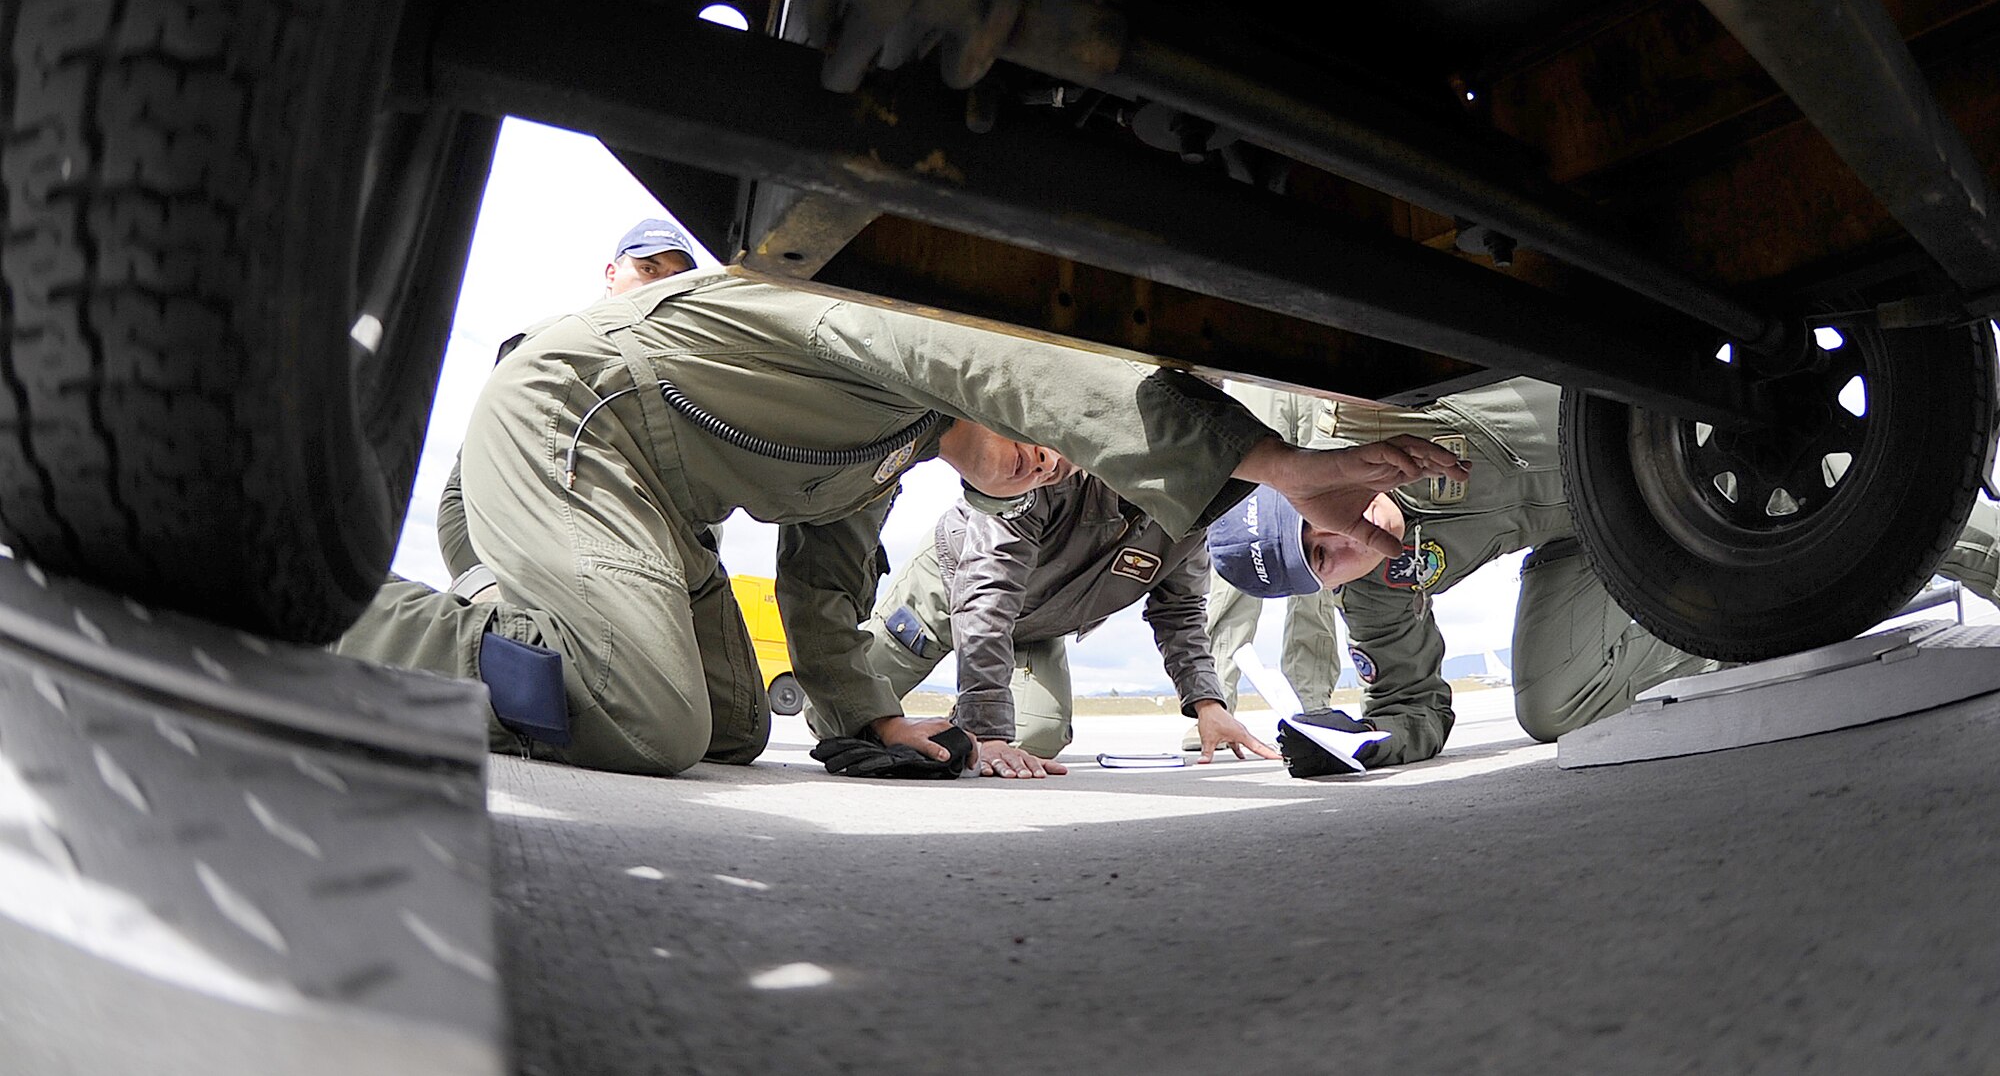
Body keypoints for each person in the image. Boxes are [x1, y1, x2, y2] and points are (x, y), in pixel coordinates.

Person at [335, 267, 1467, 778]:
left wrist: (872, 722)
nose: (1041, 459)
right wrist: (1272, 463)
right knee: (650, 720)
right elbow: (1022, 367)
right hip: (570, 423)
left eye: (1054, 465)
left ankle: (528, 621)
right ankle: (345, 604)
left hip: (657, 515)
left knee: (728, 728)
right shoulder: (893, 325)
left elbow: (822, 599)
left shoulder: (889, 459)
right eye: (1041, 433)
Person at [1207, 375, 2000, 768]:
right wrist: (1368, 744)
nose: (1339, 547)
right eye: (1319, 569)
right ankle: (1755, 625)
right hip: (1591, 538)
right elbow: (1410, 701)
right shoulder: (1375, 582)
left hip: (1663, 438)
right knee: (1551, 704)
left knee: (1838, 490)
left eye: (1313, 528)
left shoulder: (1366, 404)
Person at [818, 468, 1280, 778]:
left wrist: (1208, 705)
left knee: (1037, 738)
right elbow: (986, 595)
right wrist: (989, 732)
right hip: (952, 584)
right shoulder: (1052, 474)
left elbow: (1179, 615)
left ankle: (956, 729)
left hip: (1036, 627)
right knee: (839, 716)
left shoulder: (1189, 522)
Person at [435, 218, 700, 578]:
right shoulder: (548, 345)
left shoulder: (686, 383)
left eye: (674, 279)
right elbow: (464, 489)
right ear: (611, 273)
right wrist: (483, 583)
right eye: (647, 269)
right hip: (526, 569)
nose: (658, 286)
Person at [1186, 383, 1344, 750]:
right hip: (1254, 374)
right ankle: (1215, 701)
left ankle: (1314, 701)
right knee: (1242, 531)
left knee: (1319, 542)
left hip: (1323, 382)